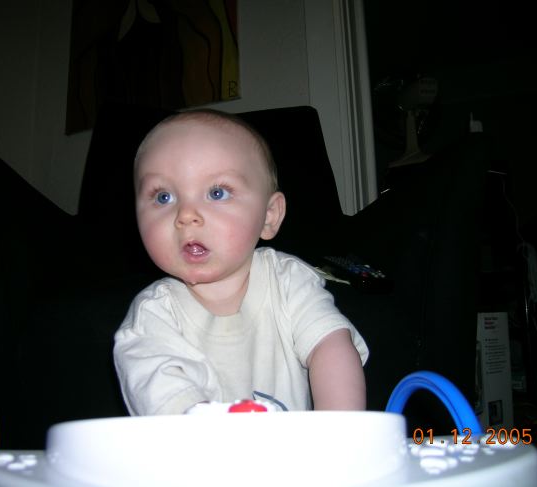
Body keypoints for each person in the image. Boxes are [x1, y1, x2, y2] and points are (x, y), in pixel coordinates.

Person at [113, 109, 368, 415]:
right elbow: (168, 400)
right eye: (163, 197)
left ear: (269, 216)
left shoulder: (288, 281)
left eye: (216, 192)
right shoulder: (152, 317)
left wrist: (340, 429)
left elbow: (331, 346)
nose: (186, 215)